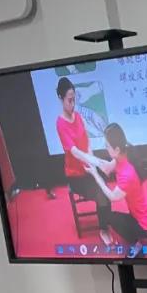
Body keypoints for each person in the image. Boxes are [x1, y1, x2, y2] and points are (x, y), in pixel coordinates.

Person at [88, 123, 147, 257]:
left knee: (110, 218)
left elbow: (112, 196)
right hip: (146, 218)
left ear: (116, 149)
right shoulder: (124, 155)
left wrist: (95, 175)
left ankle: (138, 244)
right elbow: (107, 167)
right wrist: (89, 160)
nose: (105, 148)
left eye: (107, 146)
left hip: (143, 224)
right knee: (125, 216)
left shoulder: (127, 175)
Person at [55, 76, 111, 227]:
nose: (73, 104)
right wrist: (96, 162)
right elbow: (75, 152)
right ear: (60, 98)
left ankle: (107, 222)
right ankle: (104, 228)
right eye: (69, 100)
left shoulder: (79, 117)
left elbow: (87, 144)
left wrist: (94, 165)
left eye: (74, 99)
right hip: (76, 175)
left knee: (106, 188)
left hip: (89, 169)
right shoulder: (60, 124)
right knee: (101, 193)